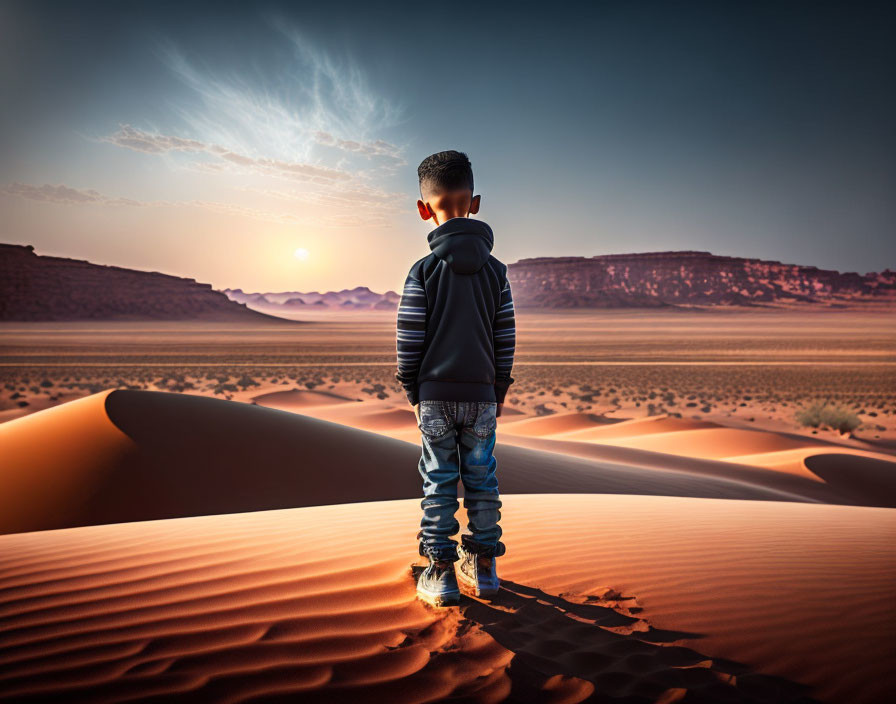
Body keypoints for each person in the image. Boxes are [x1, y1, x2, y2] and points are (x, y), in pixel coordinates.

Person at [395, 150, 516, 607]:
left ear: (424, 209)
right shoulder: (498, 273)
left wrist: (413, 388)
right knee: (483, 480)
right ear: (476, 202)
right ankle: (484, 570)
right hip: (482, 396)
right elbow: (506, 337)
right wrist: (497, 388)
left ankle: (441, 572)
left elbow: (409, 338)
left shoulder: (422, 271)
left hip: (435, 397)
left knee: (439, 481)